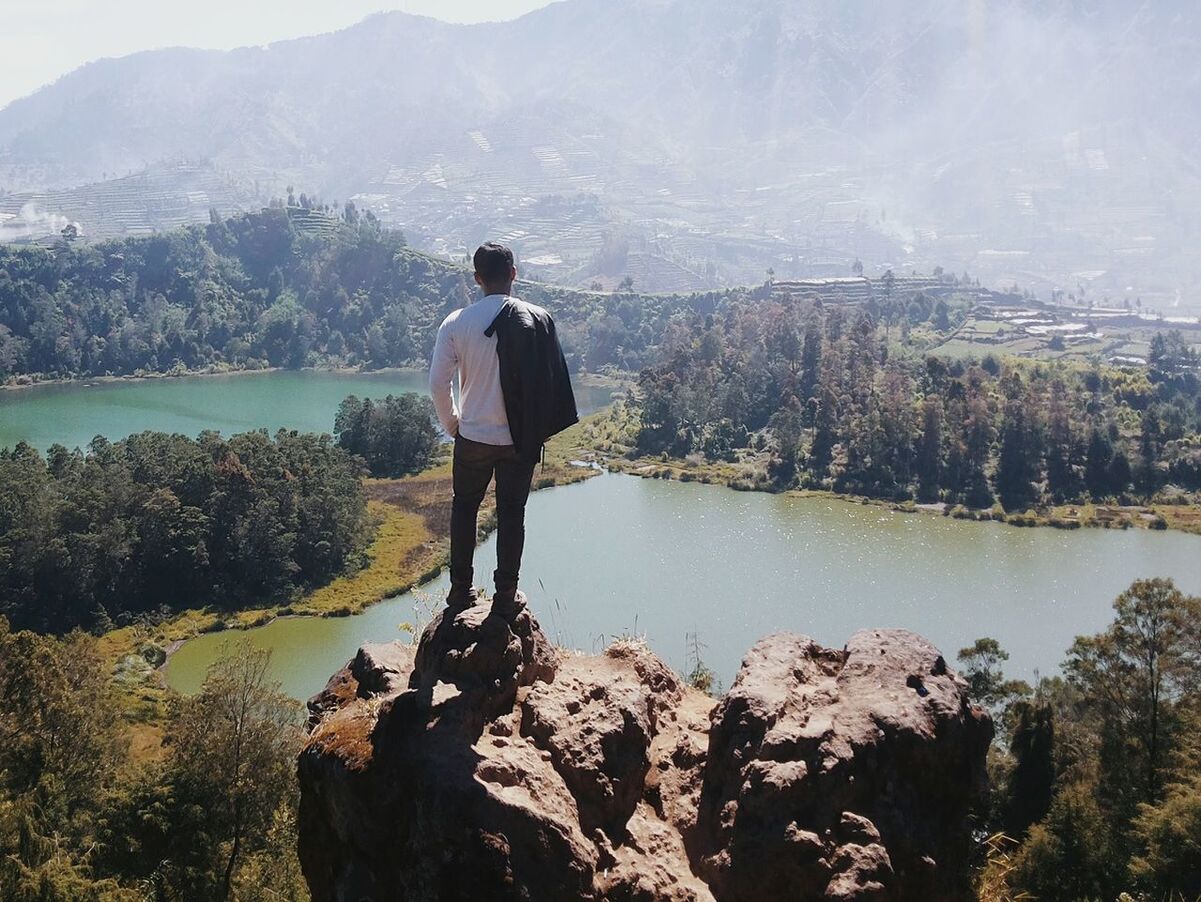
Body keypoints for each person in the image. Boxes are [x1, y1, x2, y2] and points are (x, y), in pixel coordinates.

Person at [429, 242, 577, 619]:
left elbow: (437, 384)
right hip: (518, 442)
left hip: (473, 438)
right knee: (512, 515)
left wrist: (454, 426)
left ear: (477, 278)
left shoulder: (456, 322)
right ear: (514, 273)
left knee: (464, 511)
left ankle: (460, 595)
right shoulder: (539, 319)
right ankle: (505, 598)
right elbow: (552, 384)